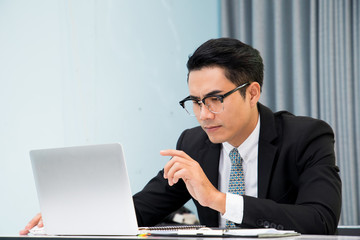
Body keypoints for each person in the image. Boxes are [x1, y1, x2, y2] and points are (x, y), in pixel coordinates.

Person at [20, 38, 341, 235]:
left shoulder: (306, 137)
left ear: (252, 92)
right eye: (196, 102)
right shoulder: (194, 143)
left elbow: (321, 219)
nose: (204, 114)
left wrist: (217, 200)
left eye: (216, 99)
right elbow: (141, 209)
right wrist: (68, 219)